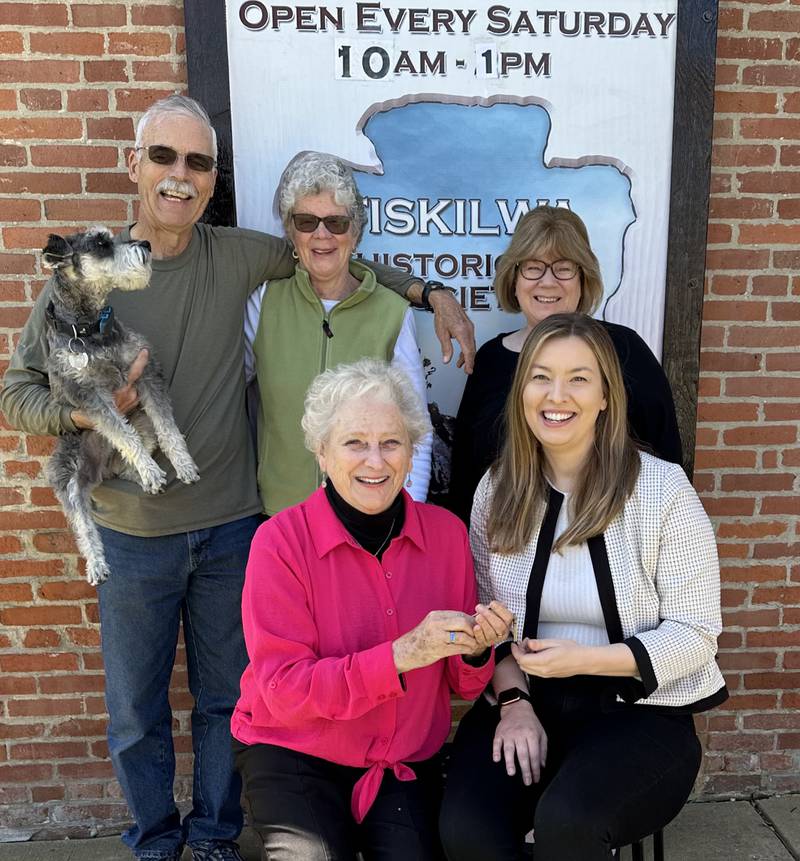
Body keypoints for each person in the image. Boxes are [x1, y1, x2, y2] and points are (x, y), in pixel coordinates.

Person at [0, 95, 475, 861]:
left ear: (214, 179)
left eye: (198, 163)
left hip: (232, 527)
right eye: (164, 157)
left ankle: (218, 838)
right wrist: (89, 416)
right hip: (131, 532)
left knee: (228, 700)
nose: (179, 177)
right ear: (136, 164)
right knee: (134, 710)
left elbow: (334, 257)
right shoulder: (87, 276)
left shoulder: (239, 257)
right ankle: (156, 842)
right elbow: (16, 393)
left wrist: (429, 292)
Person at [438, 313, 727, 861]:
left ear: (604, 396)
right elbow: (481, 618)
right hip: (525, 698)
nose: (557, 395)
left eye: (578, 378)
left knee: (568, 824)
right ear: (522, 390)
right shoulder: (497, 490)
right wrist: (515, 700)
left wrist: (585, 660)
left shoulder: (661, 490)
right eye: (541, 376)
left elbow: (696, 635)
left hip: (642, 710)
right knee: (468, 832)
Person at [231, 359, 513, 860]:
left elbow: (462, 684)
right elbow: (283, 690)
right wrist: (401, 655)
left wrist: (475, 652)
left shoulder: (446, 535)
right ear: (321, 452)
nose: (375, 462)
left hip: (399, 756)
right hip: (295, 750)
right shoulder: (278, 543)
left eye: (391, 443)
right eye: (354, 443)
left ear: (411, 451)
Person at [447, 205, 682, 525]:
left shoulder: (624, 351)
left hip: (609, 539)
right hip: (508, 550)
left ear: (583, 277)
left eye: (563, 267)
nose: (547, 281)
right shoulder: (490, 360)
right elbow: (465, 476)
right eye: (532, 267)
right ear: (514, 279)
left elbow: (665, 456)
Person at [244, 151, 431, 515]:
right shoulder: (265, 303)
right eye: (306, 221)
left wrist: (410, 516)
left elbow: (417, 431)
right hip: (279, 518)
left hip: (366, 522)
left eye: (336, 222)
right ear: (289, 231)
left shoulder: (392, 313)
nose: (322, 234)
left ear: (356, 232)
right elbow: (226, 395)